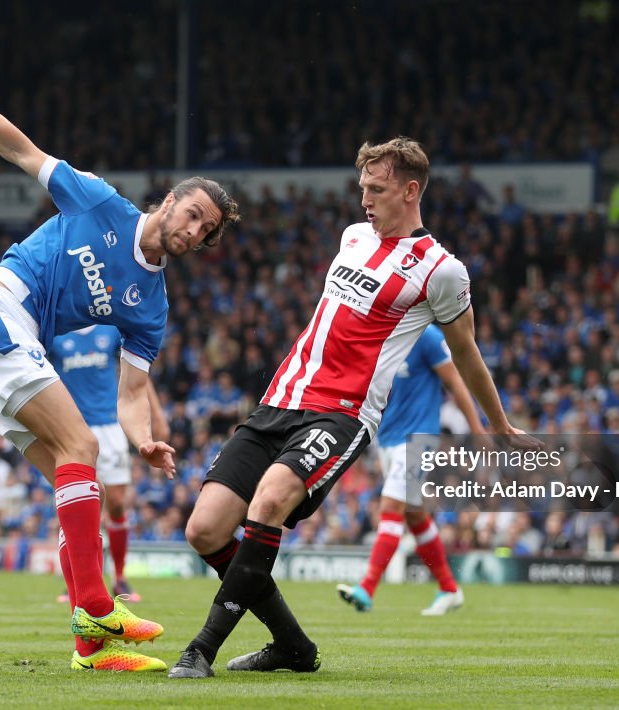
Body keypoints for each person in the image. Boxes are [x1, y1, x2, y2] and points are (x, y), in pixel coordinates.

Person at [0, 40, 239, 672]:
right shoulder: (98, 201)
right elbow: (18, 147)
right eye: (193, 214)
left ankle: (90, 647)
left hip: (3, 341)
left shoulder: (152, 304)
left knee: (72, 480)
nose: (195, 231)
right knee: (82, 450)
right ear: (169, 200)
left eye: (207, 232)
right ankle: (96, 602)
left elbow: (134, 391)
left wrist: (143, 441)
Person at [169, 137, 537, 679]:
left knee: (268, 503)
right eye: (362, 186)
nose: (364, 198)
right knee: (204, 531)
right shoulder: (354, 237)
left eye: (377, 188)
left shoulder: (441, 270)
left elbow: (466, 353)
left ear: (410, 191)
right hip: (280, 400)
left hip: (340, 413)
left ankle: (200, 650)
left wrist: (498, 424)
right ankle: (292, 645)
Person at [336, 323, 486, 615]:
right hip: (388, 439)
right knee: (414, 514)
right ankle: (449, 589)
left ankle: (366, 588)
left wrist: (477, 428)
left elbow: (455, 382)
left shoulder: (427, 336)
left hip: (419, 439)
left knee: (390, 506)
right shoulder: (379, 335)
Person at [47, 325, 170, 602]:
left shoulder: (110, 330)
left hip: (110, 425)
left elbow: (136, 372)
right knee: (76, 506)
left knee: (115, 504)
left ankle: (120, 577)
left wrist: (157, 414)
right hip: (73, 427)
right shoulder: (55, 334)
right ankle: (77, 581)